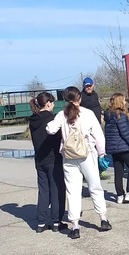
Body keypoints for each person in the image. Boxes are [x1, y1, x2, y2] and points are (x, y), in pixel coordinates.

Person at [46, 86, 112, 239]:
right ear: (79, 98)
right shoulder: (87, 114)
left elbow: (50, 129)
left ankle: (75, 226)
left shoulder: (61, 115)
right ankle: (103, 218)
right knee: (95, 186)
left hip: (69, 157)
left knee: (73, 191)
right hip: (87, 154)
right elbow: (99, 137)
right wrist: (101, 153)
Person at [28, 92, 66, 233]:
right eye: (53, 102)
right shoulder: (52, 119)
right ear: (48, 103)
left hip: (39, 159)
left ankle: (41, 222)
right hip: (53, 158)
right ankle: (56, 222)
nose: (54, 105)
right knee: (56, 189)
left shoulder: (33, 119)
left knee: (43, 190)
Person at [104, 93, 129, 203]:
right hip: (123, 147)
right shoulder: (120, 116)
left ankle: (120, 195)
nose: (125, 102)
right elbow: (126, 134)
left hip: (113, 148)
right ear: (120, 101)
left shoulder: (108, 116)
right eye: (124, 100)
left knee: (119, 171)